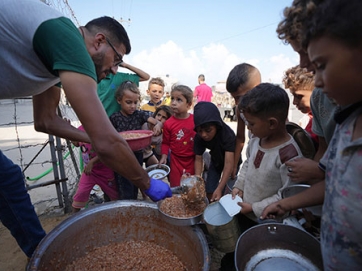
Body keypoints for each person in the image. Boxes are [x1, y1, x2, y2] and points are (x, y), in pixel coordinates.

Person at [0, 0, 171, 258]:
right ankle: (45, 258)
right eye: (117, 60)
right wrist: (147, 183)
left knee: (7, 180)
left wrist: (94, 138)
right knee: (8, 180)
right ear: (99, 41)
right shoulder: (68, 38)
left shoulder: (54, 58)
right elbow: (104, 141)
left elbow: (45, 120)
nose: (115, 70)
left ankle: (42, 256)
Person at [262, 0, 362, 269]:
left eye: (321, 64)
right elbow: (333, 184)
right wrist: (289, 204)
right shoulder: (345, 125)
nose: (313, 76)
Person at [276, 0, 337, 183]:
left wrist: (320, 173)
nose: (303, 63)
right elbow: (323, 151)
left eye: (306, 52)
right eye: (299, 53)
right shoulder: (319, 97)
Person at [231, 83, 303, 223]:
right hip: (245, 209)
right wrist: (239, 186)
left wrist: (254, 208)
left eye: (251, 124)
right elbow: (248, 163)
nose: (248, 128)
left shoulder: (288, 155)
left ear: (272, 123)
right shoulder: (256, 139)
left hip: (268, 219)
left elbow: (286, 195)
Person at [110, 81, 163, 199]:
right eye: (128, 102)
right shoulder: (115, 118)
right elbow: (109, 137)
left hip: (137, 155)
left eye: (135, 102)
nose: (133, 106)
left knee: (135, 184)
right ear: (119, 100)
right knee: (124, 187)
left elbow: (156, 121)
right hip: (121, 158)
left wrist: (158, 125)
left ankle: (133, 204)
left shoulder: (139, 114)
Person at [193, 102, 238, 202]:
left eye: (208, 130)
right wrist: (197, 180)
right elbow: (198, 159)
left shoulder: (227, 134)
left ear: (217, 126)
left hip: (232, 161)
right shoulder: (198, 137)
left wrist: (220, 188)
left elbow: (228, 164)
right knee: (210, 188)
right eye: (200, 131)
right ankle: (211, 205)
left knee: (228, 190)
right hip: (216, 160)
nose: (204, 135)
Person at [226, 63, 262, 178]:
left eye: (240, 97)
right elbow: (240, 138)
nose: (237, 103)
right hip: (252, 156)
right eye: (234, 98)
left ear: (256, 87)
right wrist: (234, 165)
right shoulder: (240, 110)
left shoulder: (272, 107)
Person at [72, 126, 119, 212]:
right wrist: (69, 133)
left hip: (105, 170)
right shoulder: (80, 129)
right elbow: (76, 143)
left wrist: (92, 162)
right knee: (80, 194)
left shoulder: (100, 128)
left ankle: (117, 216)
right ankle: (74, 220)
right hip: (89, 172)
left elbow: (107, 150)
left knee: (114, 196)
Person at [159, 85, 196, 187]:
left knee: (191, 188)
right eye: (172, 99)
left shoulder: (195, 121)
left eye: (179, 100)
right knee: (176, 187)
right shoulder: (168, 124)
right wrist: (164, 156)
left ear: (189, 104)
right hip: (175, 161)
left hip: (192, 161)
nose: (174, 103)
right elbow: (166, 142)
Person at [283, 65, 319, 150]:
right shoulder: (310, 119)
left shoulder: (323, 121)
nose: (294, 102)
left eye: (299, 96)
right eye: (293, 96)